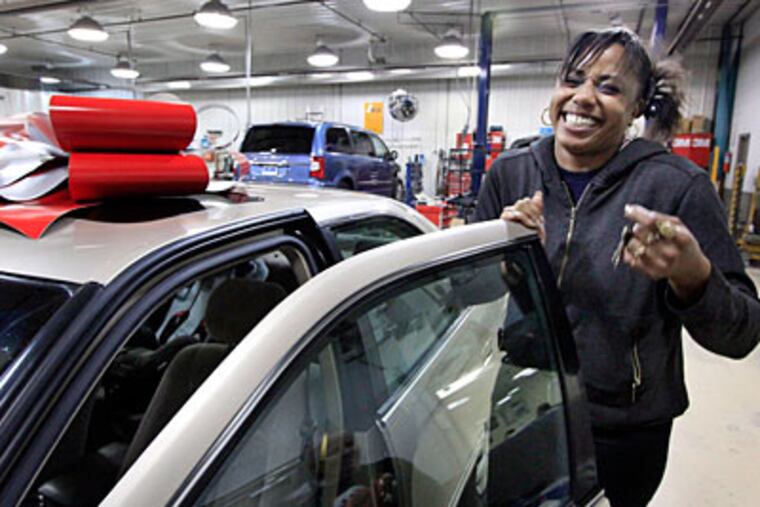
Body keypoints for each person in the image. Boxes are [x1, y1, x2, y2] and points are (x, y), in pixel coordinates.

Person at [473, 28, 760, 507]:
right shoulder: (511, 173)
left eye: (608, 87)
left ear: (636, 107)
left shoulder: (678, 187)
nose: (583, 98)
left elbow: (742, 334)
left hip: (623, 430)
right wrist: (499, 260)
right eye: (574, 79)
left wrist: (693, 278)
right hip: (521, 409)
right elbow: (465, 294)